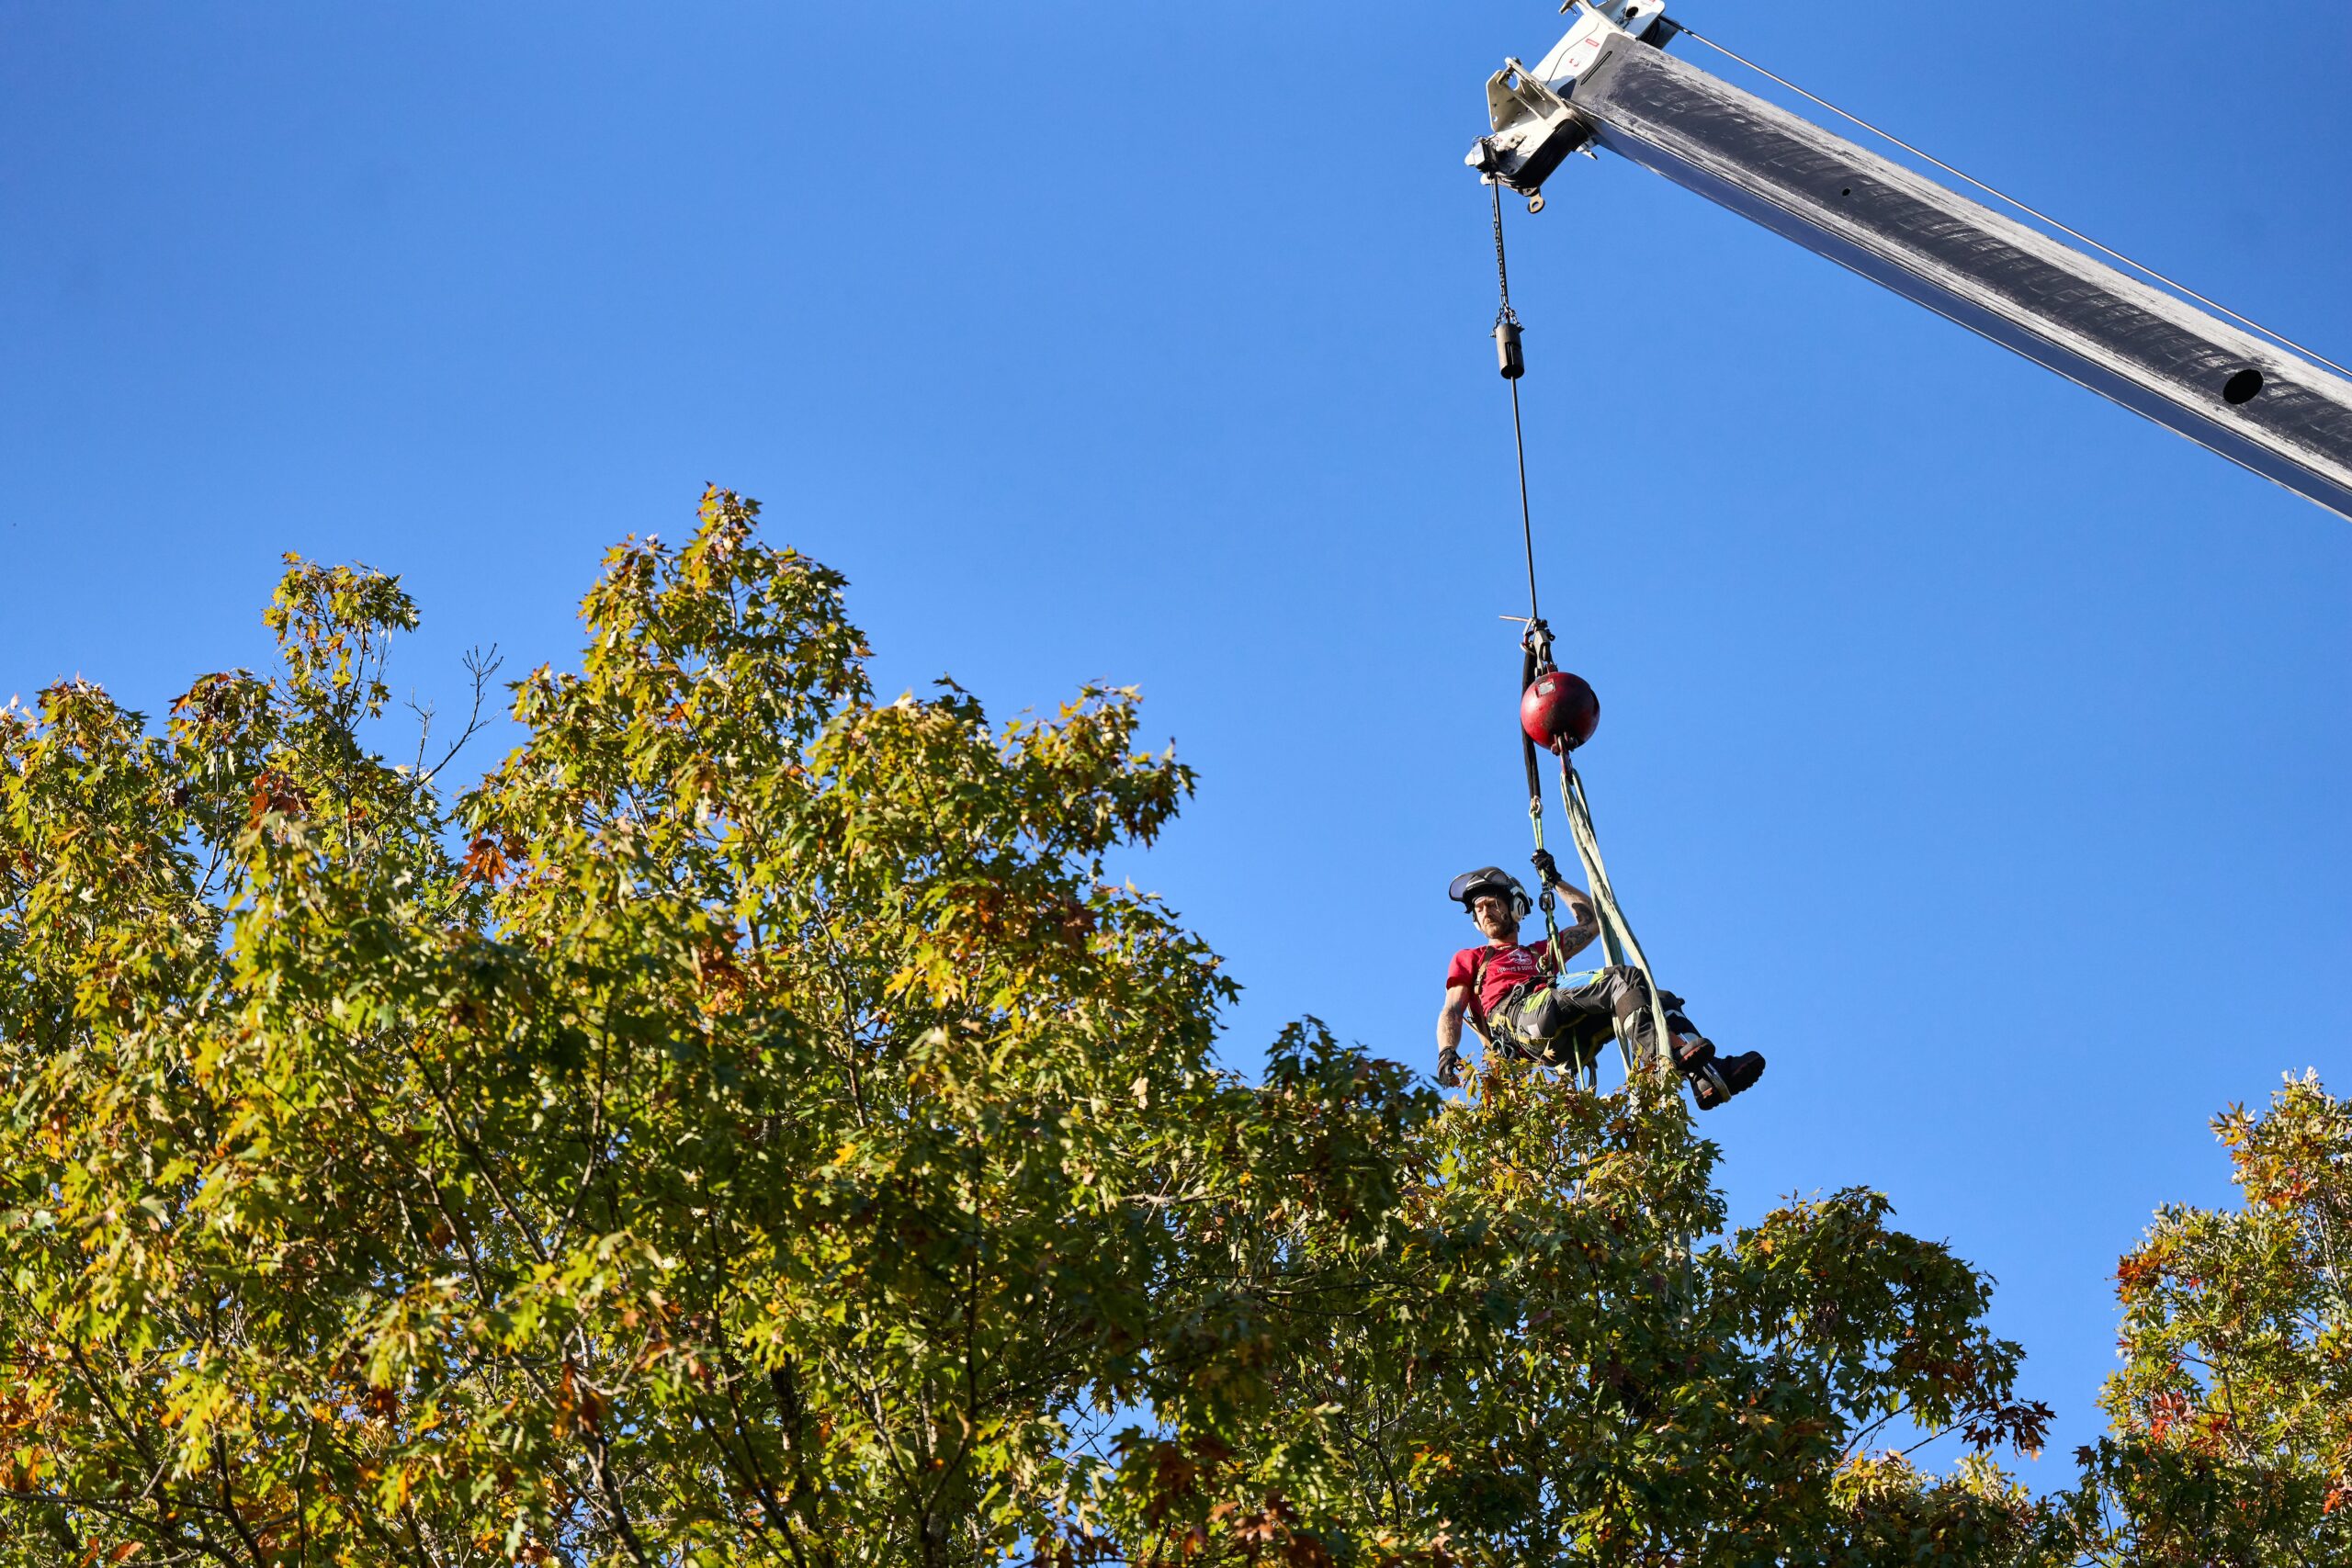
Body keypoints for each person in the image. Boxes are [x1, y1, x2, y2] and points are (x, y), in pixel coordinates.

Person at [1435, 853, 1765, 1110]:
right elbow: (1452, 1009)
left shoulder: (1540, 954)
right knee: (1622, 978)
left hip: (1563, 1036)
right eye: (1477, 908)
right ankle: (1660, 1061)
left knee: (1650, 995)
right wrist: (1447, 1052)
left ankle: (1708, 1076)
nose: (1484, 910)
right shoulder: (1474, 958)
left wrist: (1556, 881)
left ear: (1516, 907)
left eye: (1492, 902)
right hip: (1519, 1019)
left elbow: (1592, 922)